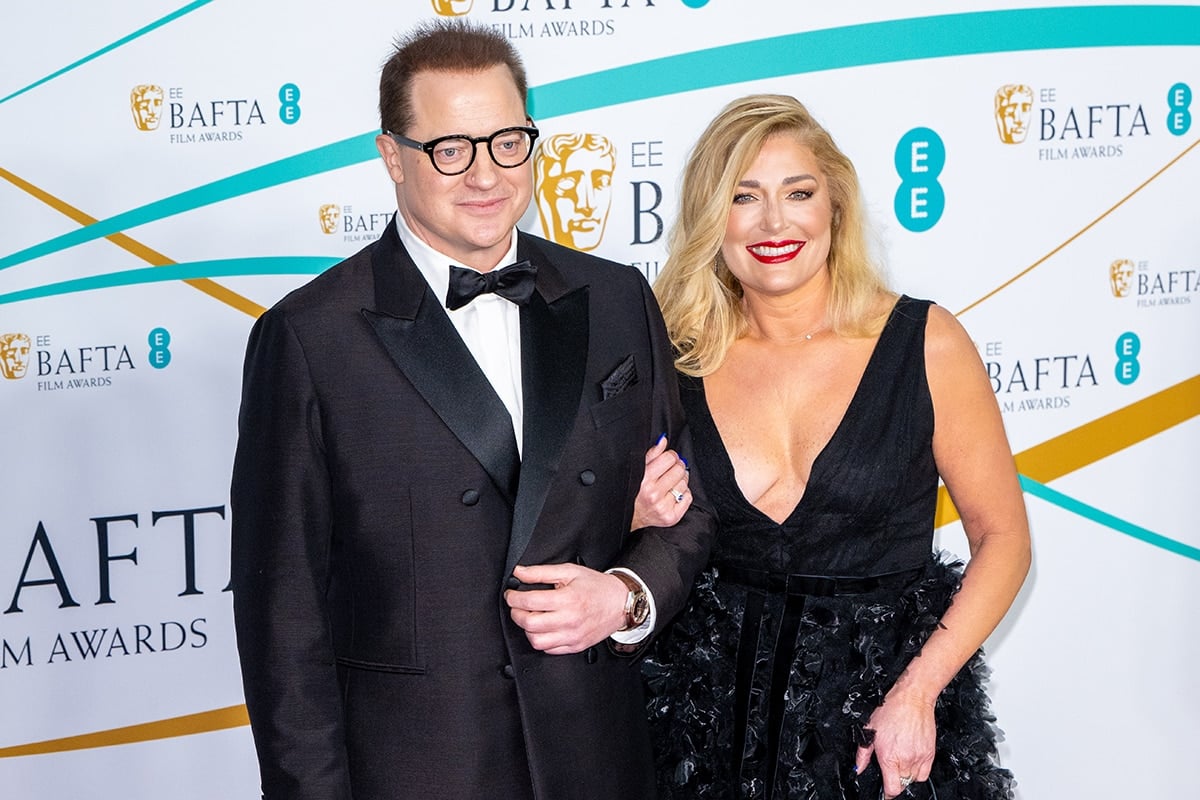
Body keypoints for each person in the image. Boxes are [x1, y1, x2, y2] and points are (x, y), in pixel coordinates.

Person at [230, 20, 713, 800]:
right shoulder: (310, 338)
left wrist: (625, 592)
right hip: (418, 767)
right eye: (450, 149)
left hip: (596, 757)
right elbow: (284, 619)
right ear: (393, 156)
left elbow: (689, 508)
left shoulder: (618, 297)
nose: (486, 175)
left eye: (506, 142)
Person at [644, 94, 1031, 799]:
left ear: (836, 206)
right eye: (744, 196)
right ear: (712, 218)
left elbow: (1005, 538)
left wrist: (918, 694)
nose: (774, 222)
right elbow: (628, 540)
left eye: (799, 192)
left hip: (880, 737)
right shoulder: (673, 358)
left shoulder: (926, 343)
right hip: (703, 744)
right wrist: (634, 517)